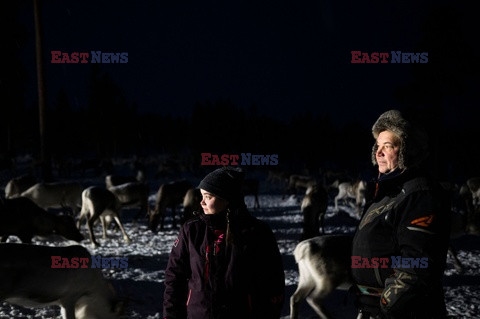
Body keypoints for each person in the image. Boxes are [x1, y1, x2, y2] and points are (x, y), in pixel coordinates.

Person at [352, 110, 451, 318]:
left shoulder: (420, 195)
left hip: (402, 312)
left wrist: (387, 305)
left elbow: (418, 264)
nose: (378, 153)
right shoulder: (388, 194)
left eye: (387, 146)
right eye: (377, 146)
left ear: (408, 150)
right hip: (372, 308)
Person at [163, 167, 285, 319]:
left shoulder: (257, 233)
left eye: (208, 196)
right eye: (201, 196)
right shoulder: (191, 230)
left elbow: (272, 284)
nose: (201, 202)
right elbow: (174, 277)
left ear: (227, 199)